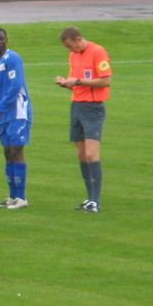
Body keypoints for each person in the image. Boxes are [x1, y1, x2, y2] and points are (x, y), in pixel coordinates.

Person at [55, 26, 112, 213]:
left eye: (71, 46)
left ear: (79, 39)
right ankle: (89, 199)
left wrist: (78, 81)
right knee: (81, 155)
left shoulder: (98, 51)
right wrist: (66, 83)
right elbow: (76, 84)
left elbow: (106, 80)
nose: (70, 51)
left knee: (91, 155)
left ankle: (95, 201)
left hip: (93, 108)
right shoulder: (73, 56)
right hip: (77, 106)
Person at [0, 27, 32, 209]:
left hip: (18, 112)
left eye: (1, 38)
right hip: (3, 116)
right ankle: (12, 196)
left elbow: (15, 86)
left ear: (6, 39)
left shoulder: (13, 58)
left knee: (17, 152)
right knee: (7, 153)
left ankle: (22, 198)